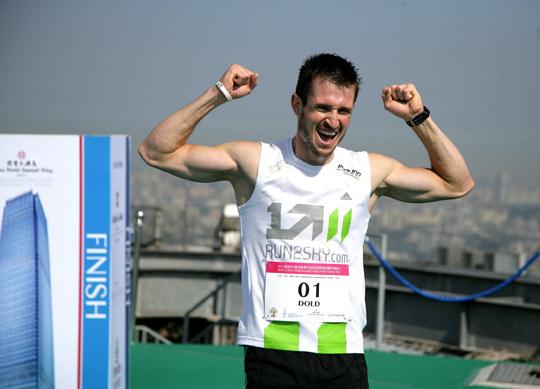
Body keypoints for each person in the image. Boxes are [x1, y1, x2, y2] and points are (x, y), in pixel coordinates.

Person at [139, 53, 474, 389]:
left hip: (342, 353)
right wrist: (218, 93)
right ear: (297, 104)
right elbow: (157, 151)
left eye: (344, 111)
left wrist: (418, 116)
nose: (333, 120)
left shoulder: (366, 171)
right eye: (323, 108)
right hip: (273, 352)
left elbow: (457, 183)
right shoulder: (258, 163)